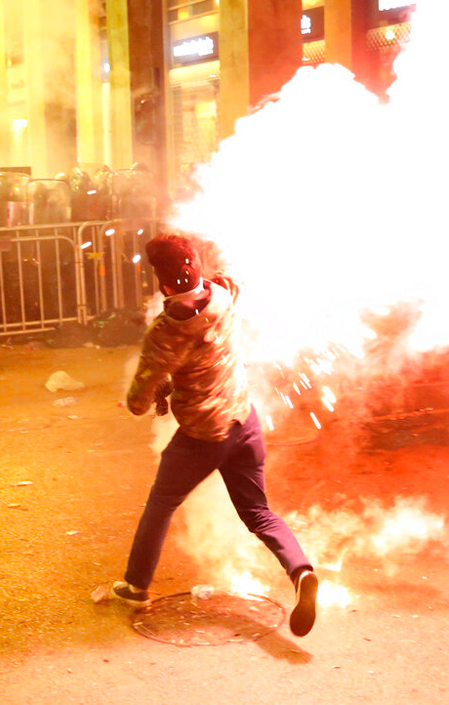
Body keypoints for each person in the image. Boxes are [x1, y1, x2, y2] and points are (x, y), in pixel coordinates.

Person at [112, 233, 319, 637]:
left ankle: (136, 585)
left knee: (162, 501)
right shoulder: (224, 293)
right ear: (197, 268)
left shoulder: (166, 331)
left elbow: (138, 400)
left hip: (202, 435)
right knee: (258, 512)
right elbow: (222, 285)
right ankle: (301, 571)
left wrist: (154, 388)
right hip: (245, 421)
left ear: (163, 282)